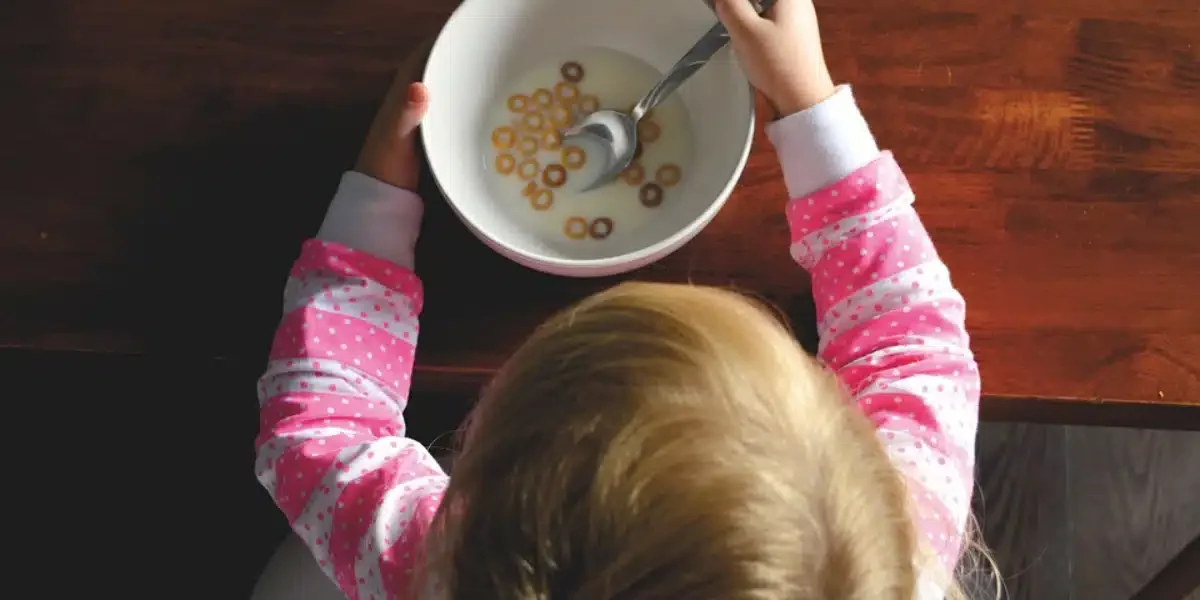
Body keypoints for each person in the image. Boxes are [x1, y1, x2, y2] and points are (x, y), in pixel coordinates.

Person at [253, 0, 996, 598]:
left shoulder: (437, 567)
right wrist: (808, 100)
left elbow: (320, 430)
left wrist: (377, 194)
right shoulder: (895, 548)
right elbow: (909, 339)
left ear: (484, 489)